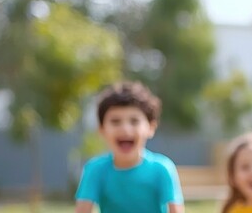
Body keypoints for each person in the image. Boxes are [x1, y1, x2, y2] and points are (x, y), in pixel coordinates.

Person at [75, 81, 184, 213]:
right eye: (115, 121)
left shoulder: (162, 169)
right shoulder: (95, 169)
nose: (125, 129)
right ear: (102, 129)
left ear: (151, 127)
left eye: (134, 121)